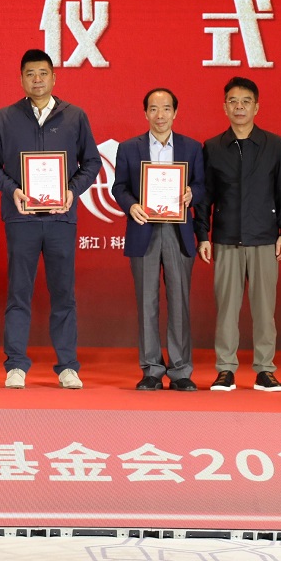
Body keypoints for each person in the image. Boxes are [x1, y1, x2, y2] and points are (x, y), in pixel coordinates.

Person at [0, 50, 101, 389]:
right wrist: (13, 190)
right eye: (30, 73)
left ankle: (67, 366)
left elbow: (92, 162)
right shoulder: (5, 118)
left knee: (63, 293)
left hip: (61, 218)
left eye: (43, 73)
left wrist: (72, 191)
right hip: (22, 219)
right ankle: (16, 365)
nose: (37, 79)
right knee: (19, 292)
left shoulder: (74, 116)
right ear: (21, 79)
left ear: (54, 77)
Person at [194, 77, 281, 392]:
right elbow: (205, 197)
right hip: (226, 239)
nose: (239, 107)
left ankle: (265, 370)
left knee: (265, 311)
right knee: (226, 309)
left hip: (265, 238)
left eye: (246, 101)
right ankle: (225, 370)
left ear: (257, 106)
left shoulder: (274, 144)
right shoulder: (213, 147)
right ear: (224, 107)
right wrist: (203, 235)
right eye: (233, 101)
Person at [111, 88, 205, 392]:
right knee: (146, 302)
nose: (160, 115)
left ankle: (180, 371)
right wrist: (131, 205)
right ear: (145, 113)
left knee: (179, 302)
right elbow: (119, 187)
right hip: (144, 229)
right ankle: (151, 369)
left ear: (175, 113)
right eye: (153, 109)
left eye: (166, 109)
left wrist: (191, 194)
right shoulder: (129, 148)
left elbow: (202, 186)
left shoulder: (192, 148)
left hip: (179, 232)